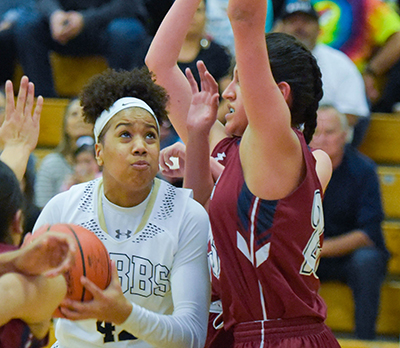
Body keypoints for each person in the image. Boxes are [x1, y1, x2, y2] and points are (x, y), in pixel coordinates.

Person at [146, 0, 342, 346]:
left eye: (241, 79)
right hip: (235, 330)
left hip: (275, 335)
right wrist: (202, 156)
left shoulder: (279, 145)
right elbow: (158, 67)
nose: (227, 91)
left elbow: (245, 16)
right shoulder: (227, 149)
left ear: (277, 94)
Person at [33, 67, 211, 348]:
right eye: (125, 135)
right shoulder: (63, 209)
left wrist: (125, 314)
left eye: (150, 136)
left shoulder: (186, 215)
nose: (141, 146)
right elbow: (32, 307)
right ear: (99, 153)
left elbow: (192, 336)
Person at [0, 74, 75, 348]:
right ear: (18, 222)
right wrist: (16, 259)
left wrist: (17, 149)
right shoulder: (42, 283)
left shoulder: (21, 285)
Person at [309, 105, 389, 340]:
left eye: (330, 132)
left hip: (346, 256)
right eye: (316, 132)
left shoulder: (363, 170)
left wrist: (317, 250)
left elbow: (368, 233)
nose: (322, 139)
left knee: (367, 261)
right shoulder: (297, 169)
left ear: (346, 135)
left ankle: (365, 339)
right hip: (309, 257)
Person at [274, 0, 370, 147]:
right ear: (281, 28)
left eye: (306, 21)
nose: (299, 27)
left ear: (319, 28)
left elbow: (352, 114)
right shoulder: (270, 62)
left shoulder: (340, 63)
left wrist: (314, 133)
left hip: (327, 146)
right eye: (292, 21)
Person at [14, 0, 150, 97]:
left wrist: (86, 19)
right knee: (27, 27)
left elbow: (129, 5)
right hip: (64, 28)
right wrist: (54, 14)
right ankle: (43, 100)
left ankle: (124, 101)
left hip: (106, 25)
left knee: (126, 32)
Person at [312, 0, 400, 113]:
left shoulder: (366, 4)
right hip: (305, 80)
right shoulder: (303, 3)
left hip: (349, 85)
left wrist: (371, 71)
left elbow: (397, 39)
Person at [34, 98, 93, 208]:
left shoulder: (105, 163)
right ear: (65, 125)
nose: (80, 119)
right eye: (74, 114)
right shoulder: (51, 163)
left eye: (85, 114)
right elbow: (42, 206)